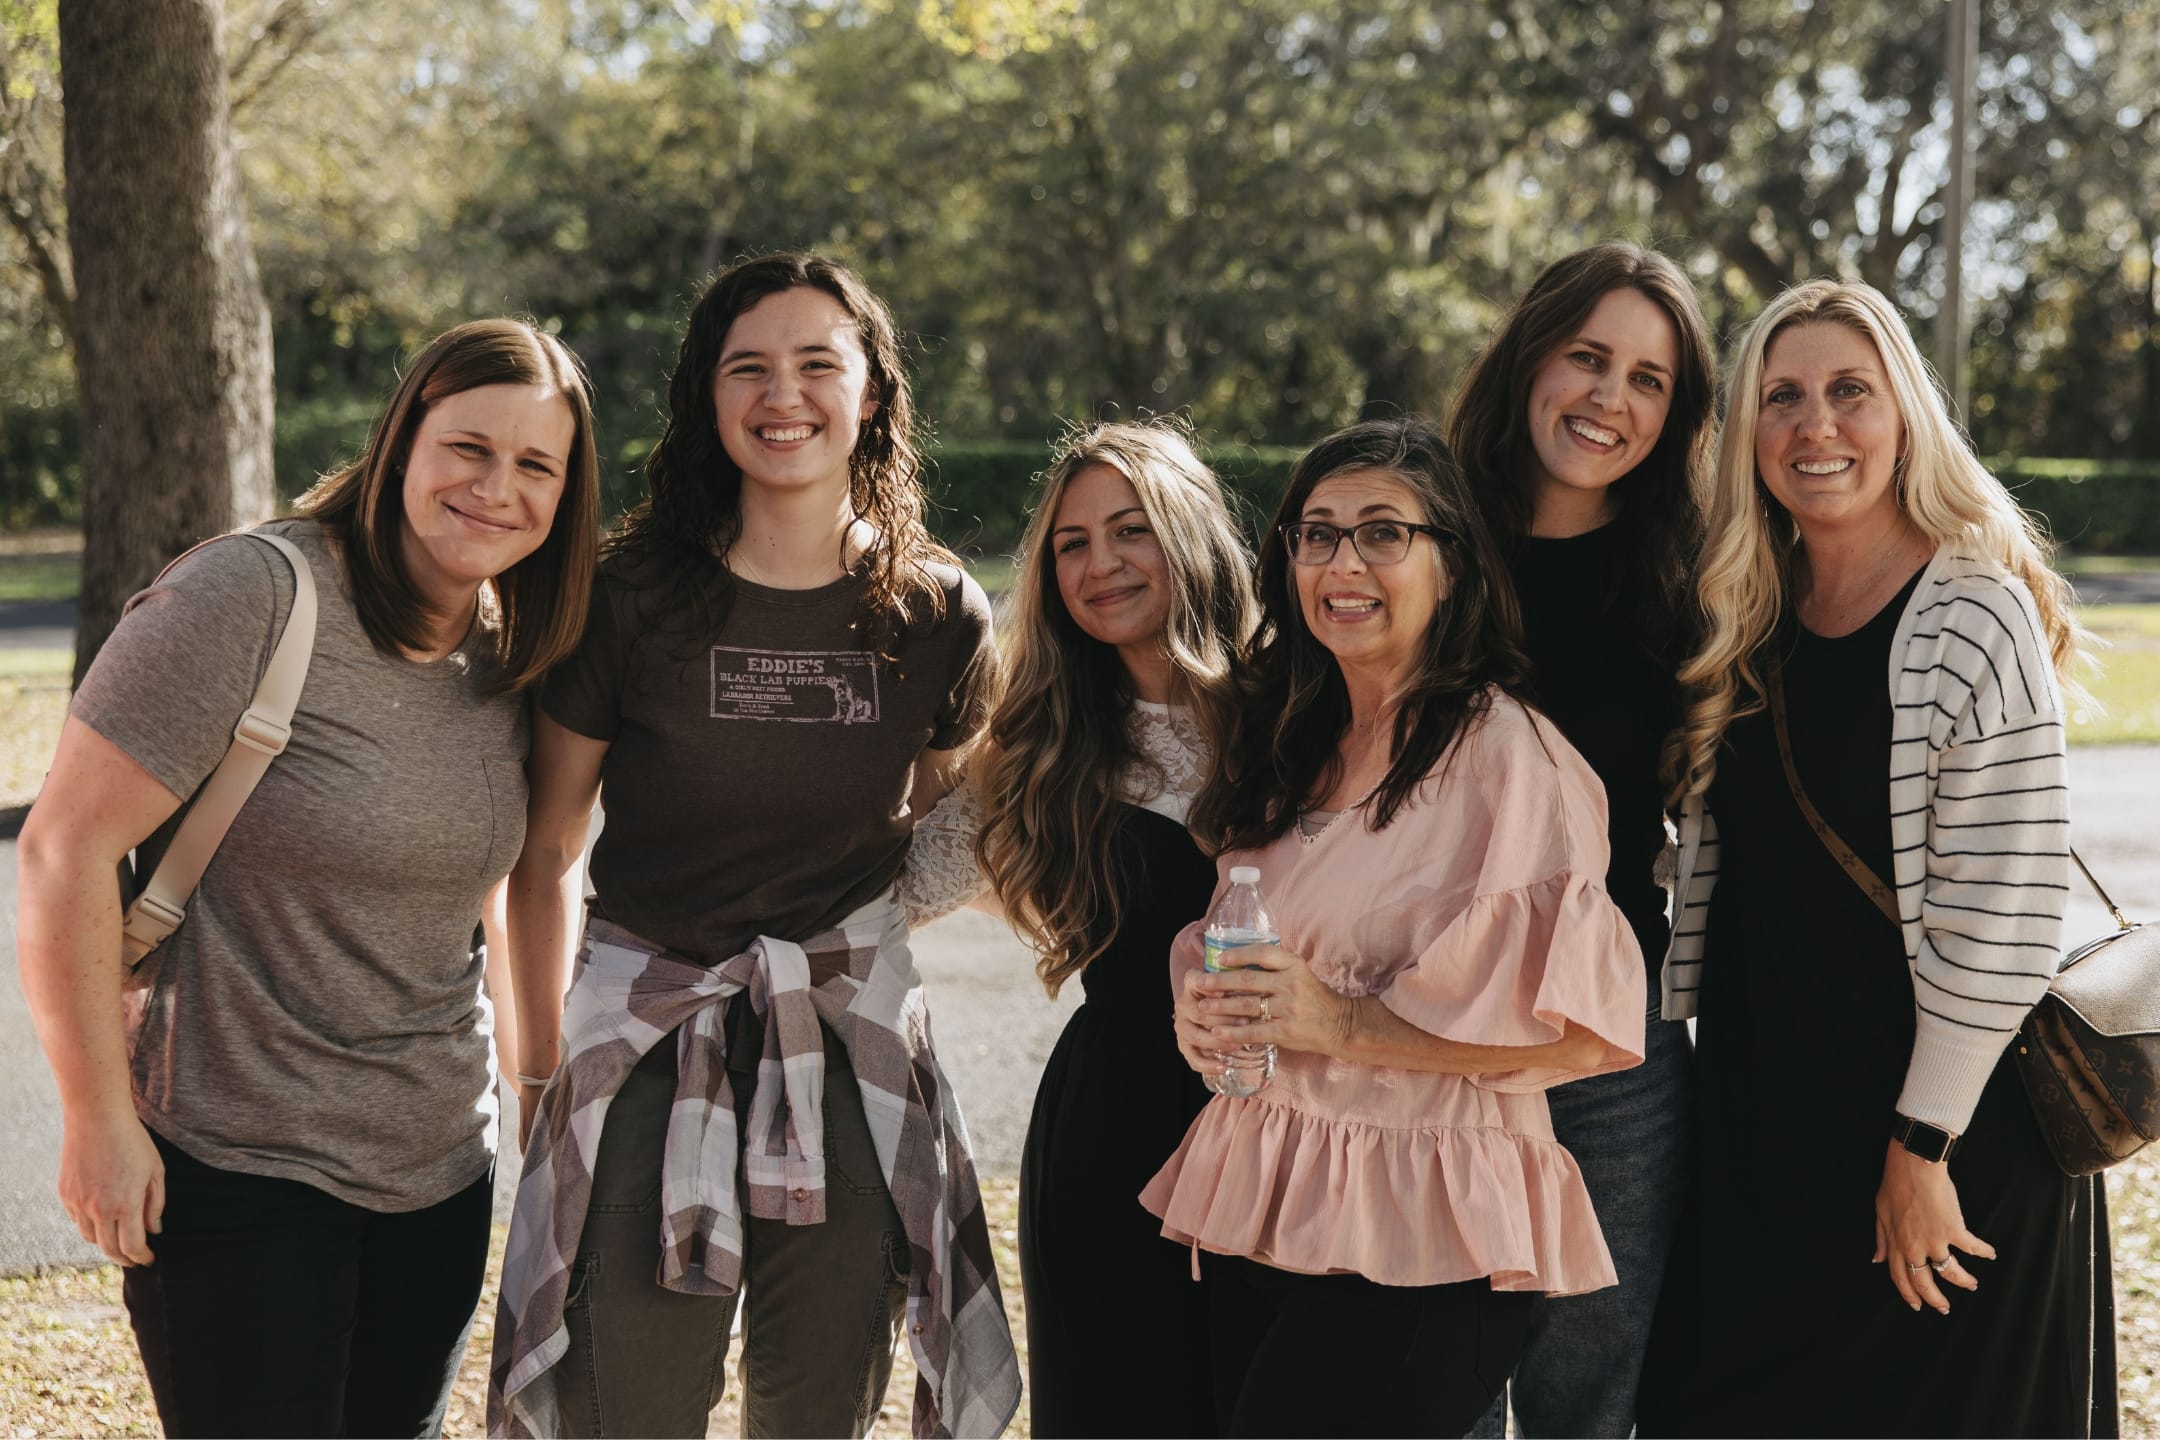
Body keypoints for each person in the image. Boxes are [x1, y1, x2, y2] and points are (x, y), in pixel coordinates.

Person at [17, 319, 601, 1437]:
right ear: (401, 441)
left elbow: (499, 875)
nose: (496, 488)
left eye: (536, 466)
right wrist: (96, 1117)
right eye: (468, 448)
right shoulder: (252, 597)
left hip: (438, 1173)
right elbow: (63, 849)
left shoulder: (510, 646)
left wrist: (539, 1090)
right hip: (238, 1170)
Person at [487, 253, 1018, 1440]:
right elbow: (545, 856)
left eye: (817, 365)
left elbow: (939, 833)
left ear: (871, 391)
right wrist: (540, 1077)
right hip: (643, 1036)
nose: (785, 396)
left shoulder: (938, 612)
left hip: (844, 1046)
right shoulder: (627, 596)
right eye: (749, 368)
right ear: (707, 397)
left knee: (819, 1398)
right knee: (627, 1398)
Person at [1637, 280, 2115, 1437]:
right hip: (1766, 1125)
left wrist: (1922, 1145)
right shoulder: (1745, 611)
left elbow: (2005, 915)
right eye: (1782, 397)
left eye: (1851, 392)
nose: (1816, 427)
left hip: (1948, 1142)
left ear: (1905, 411)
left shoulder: (1974, 613)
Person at [1142, 416, 1648, 1439]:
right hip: (1272, 1203)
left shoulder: (1509, 759)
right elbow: (1249, 947)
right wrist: (1203, 1015)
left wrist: (1340, 1025)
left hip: (1427, 1233)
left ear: (1452, 566)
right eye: (1316, 533)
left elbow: (1584, 1036)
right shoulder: (1293, 736)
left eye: (1383, 532)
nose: (1343, 561)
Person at [1445, 241, 1716, 1438]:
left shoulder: (1694, 577)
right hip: (1423, 1022)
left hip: (1612, 1034)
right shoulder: (1424, 537)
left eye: (1649, 380)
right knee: (1433, 1373)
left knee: (1590, 1386)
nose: (1612, 398)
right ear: (1530, 357)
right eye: (1589, 357)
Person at [947, 420, 1257, 1435]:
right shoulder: (1037, 744)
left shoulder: (1298, 706)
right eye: (1071, 544)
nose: (1100, 563)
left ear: (1192, 535)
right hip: (1113, 1130)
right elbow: (893, 869)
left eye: (1131, 530)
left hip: (1297, 1126)